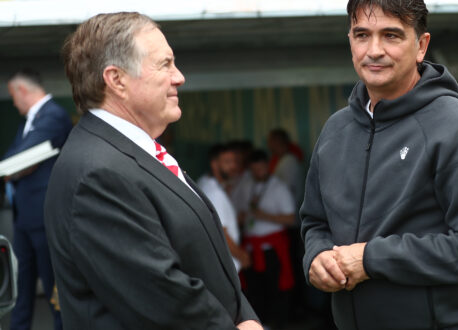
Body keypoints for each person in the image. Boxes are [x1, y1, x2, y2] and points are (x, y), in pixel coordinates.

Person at [43, 12, 261, 330]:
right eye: (165, 64)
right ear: (116, 80)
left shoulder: (132, 153)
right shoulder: (97, 173)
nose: (179, 77)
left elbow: (210, 267)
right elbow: (162, 296)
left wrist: (247, 317)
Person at [300, 0, 458, 329]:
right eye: (362, 35)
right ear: (350, 41)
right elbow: (315, 221)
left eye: (391, 36)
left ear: (421, 45)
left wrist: (369, 259)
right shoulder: (335, 131)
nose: (374, 50)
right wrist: (317, 256)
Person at [2, 68, 72, 330]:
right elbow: (13, 161)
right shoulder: (29, 121)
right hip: (24, 218)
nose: (14, 102)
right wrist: (13, 168)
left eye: (12, 95)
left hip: (44, 217)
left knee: (54, 288)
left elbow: (21, 159)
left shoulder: (53, 114)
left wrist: (13, 169)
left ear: (21, 90)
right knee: (21, 288)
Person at [242, 149, 296, 329]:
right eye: (255, 170)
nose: (259, 173)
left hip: (272, 248)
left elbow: (290, 219)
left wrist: (264, 216)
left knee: (277, 289)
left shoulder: (278, 187)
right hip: (252, 247)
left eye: (262, 169)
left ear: (268, 166)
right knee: (256, 291)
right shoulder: (248, 185)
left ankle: (278, 324)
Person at [198, 144, 251, 272]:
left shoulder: (205, 182)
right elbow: (221, 233)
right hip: (222, 267)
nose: (233, 166)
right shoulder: (215, 193)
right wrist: (242, 256)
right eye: (227, 162)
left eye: (234, 161)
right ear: (215, 165)